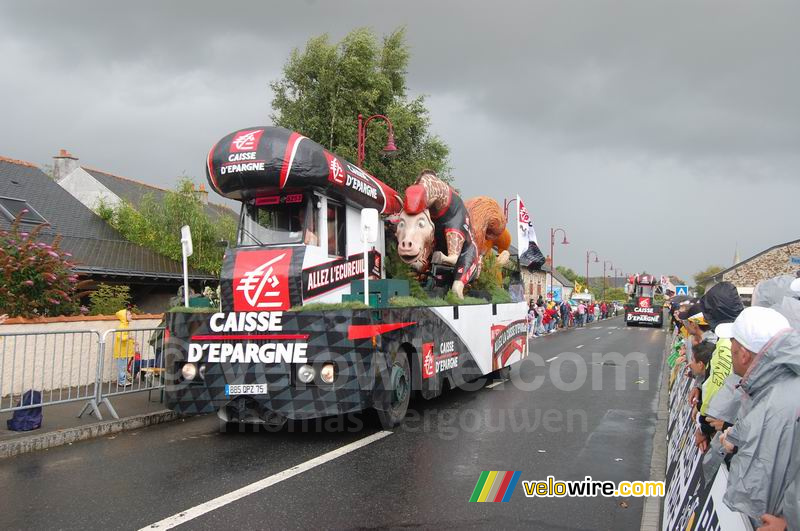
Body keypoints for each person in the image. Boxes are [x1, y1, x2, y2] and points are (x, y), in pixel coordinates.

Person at [716, 306, 798, 529]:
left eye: (732, 341)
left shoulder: (781, 404)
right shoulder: (772, 388)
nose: (728, 347)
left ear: (743, 354)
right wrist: (738, 439)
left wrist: (789, 524)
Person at [112, 306, 138, 387]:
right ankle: (121, 381)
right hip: (121, 351)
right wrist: (130, 337)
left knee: (123, 366)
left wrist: (134, 342)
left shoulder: (126, 326)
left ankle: (124, 379)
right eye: (129, 314)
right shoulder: (122, 326)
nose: (131, 316)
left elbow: (128, 336)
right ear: (124, 316)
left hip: (125, 350)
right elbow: (121, 337)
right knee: (122, 367)